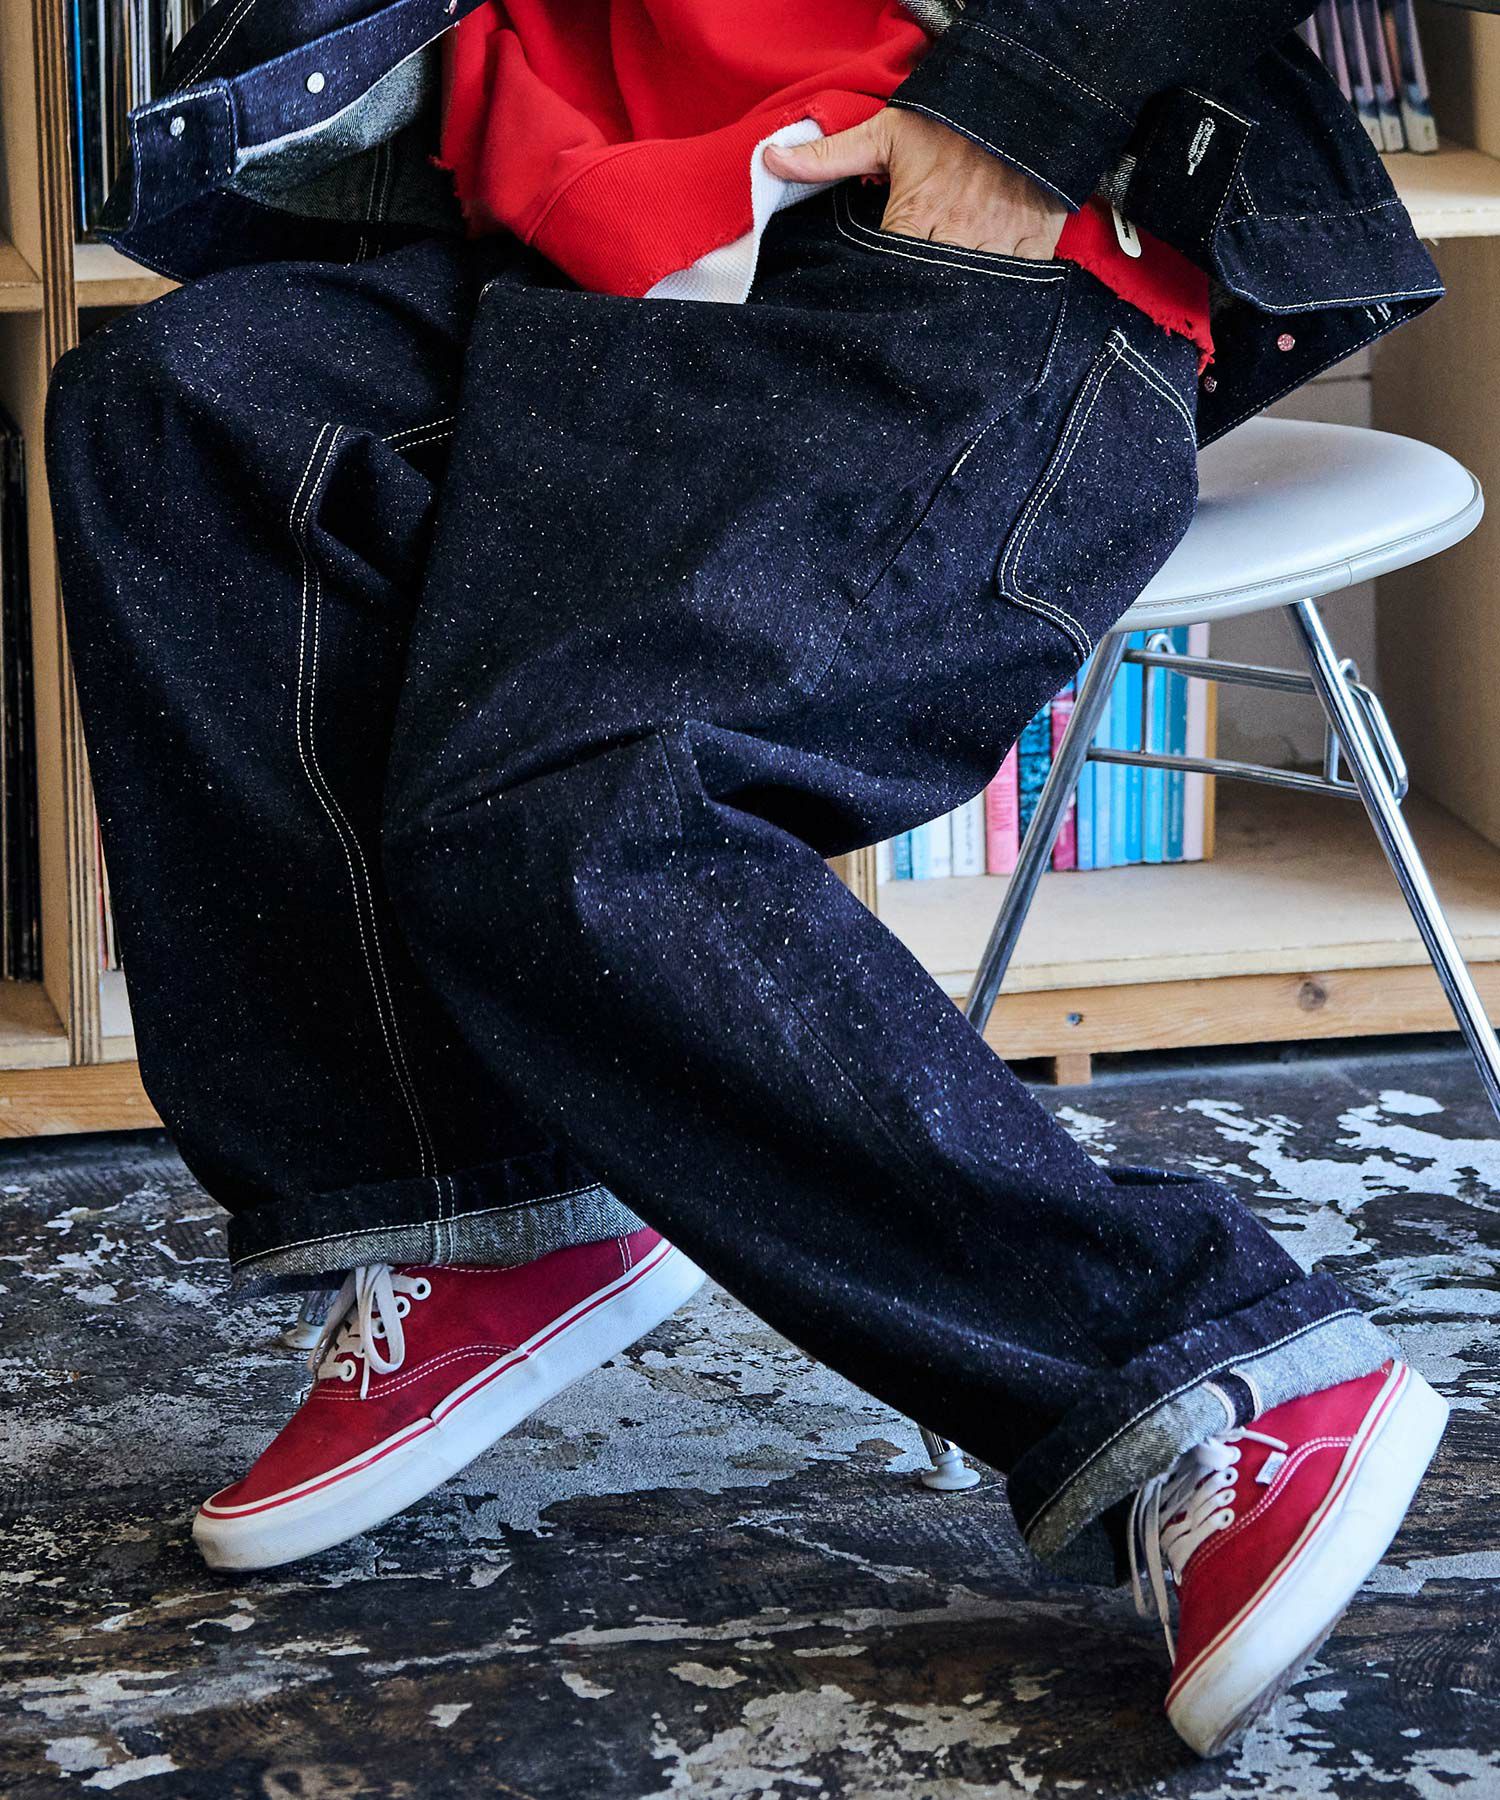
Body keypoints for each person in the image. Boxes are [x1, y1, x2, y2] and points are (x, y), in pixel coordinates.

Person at [44, 0, 1451, 1758]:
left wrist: (1021, 121)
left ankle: (1213, 1370)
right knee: (180, 406)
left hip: (960, 229)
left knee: (571, 806)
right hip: (590, 273)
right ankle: (474, 1207)